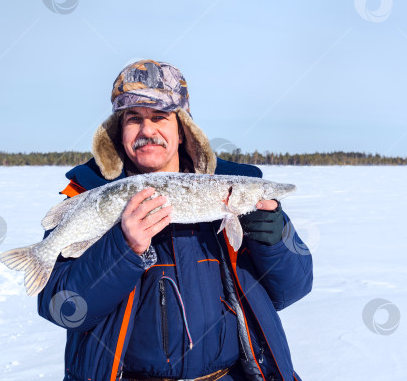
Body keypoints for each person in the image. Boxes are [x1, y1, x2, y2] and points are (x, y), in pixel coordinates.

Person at [37, 60, 313, 381]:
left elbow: (291, 290)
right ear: (119, 131)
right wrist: (123, 250)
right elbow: (62, 309)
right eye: (134, 119)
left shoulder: (232, 188)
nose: (147, 130)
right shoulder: (89, 194)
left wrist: (274, 242)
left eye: (159, 117)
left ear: (182, 131)